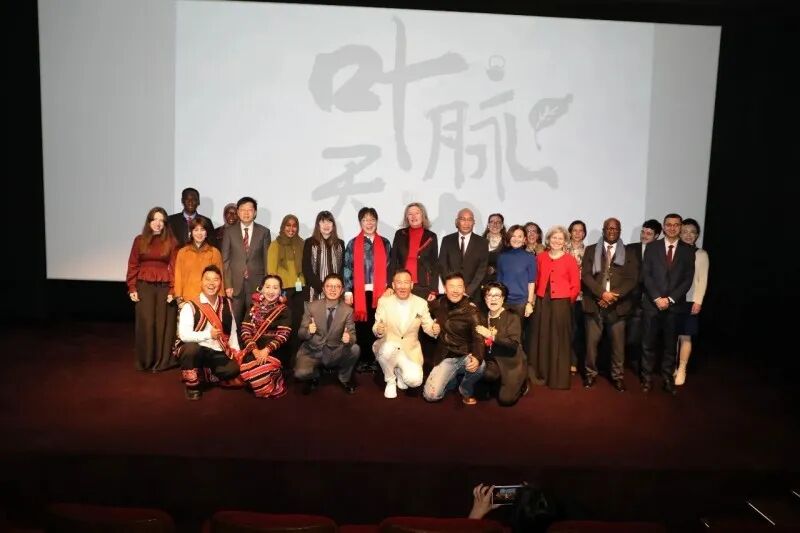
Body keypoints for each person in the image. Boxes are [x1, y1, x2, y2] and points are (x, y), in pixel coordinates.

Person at [580, 218, 639, 392]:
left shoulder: (629, 252)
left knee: (618, 347)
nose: (612, 231)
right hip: (594, 303)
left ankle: (617, 377)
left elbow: (632, 279)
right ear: (603, 230)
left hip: (618, 306)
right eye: (608, 228)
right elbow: (586, 276)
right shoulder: (591, 250)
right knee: (591, 345)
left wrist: (612, 296)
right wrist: (602, 293)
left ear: (620, 231)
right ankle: (590, 375)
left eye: (615, 228)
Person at [640, 213, 695, 395]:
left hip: (674, 306)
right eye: (668, 224)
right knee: (648, 344)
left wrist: (670, 299)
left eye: (676, 225)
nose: (672, 228)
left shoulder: (688, 251)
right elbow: (646, 275)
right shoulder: (652, 247)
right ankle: (646, 379)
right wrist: (657, 298)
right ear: (663, 227)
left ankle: (667, 379)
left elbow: (687, 280)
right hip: (652, 304)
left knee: (670, 346)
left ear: (680, 227)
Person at [126, 206, 179, 372]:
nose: (158, 223)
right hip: (144, 286)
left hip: (164, 287)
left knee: (163, 324)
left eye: (161, 220)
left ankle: (162, 361)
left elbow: (175, 268)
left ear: (165, 224)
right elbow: (133, 264)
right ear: (149, 222)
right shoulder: (139, 240)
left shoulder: (171, 242)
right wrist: (132, 287)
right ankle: (146, 361)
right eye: (155, 219)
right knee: (147, 323)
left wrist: (173, 290)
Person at [528, 225, 581, 390]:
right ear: (548, 239)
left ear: (565, 241)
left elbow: (575, 285)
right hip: (542, 301)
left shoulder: (570, 259)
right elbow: (535, 279)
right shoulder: (540, 257)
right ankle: (541, 374)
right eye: (554, 237)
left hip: (561, 303)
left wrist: (566, 301)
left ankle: (558, 378)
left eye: (560, 238)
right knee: (542, 336)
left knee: (559, 338)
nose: (557, 241)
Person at [372, 269, 437, 399]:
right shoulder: (384, 301)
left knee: (415, 381)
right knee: (387, 349)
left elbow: (428, 325)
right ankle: (390, 380)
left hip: (410, 350)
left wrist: (434, 329)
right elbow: (377, 324)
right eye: (399, 282)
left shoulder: (421, 303)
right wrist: (378, 329)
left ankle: (399, 371)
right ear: (393, 285)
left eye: (406, 282)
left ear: (412, 285)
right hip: (389, 347)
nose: (402, 286)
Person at [423, 273, 485, 404]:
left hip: (465, 355)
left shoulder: (472, 310)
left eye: (459, 286)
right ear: (445, 289)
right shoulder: (439, 304)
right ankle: (451, 379)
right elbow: (424, 309)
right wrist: (432, 325)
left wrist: (477, 357)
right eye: (451, 286)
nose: (455, 290)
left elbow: (478, 338)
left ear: (464, 289)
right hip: (445, 357)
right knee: (430, 396)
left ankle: (465, 388)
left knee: (481, 365)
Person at [343, 207, 391, 374]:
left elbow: (390, 267)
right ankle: (363, 359)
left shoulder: (385, 243)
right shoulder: (352, 243)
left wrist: (389, 288)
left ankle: (376, 360)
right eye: (365, 220)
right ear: (360, 223)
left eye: (372, 220)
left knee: (378, 326)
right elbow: (347, 267)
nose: (369, 223)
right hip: (359, 293)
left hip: (381, 293)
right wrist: (348, 291)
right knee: (362, 328)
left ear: (376, 222)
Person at [294, 273, 359, 394]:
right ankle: (315, 375)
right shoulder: (311, 306)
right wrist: (309, 331)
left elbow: (353, 336)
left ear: (342, 290)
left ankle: (344, 378)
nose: (333, 289)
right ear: (323, 289)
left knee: (355, 349)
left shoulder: (348, 311)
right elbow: (300, 334)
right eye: (329, 286)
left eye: (337, 286)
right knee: (300, 373)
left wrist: (349, 338)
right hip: (313, 350)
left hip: (335, 350)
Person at [221, 196, 271, 332]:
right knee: (235, 321)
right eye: (243, 210)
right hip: (235, 284)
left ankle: (252, 345)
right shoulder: (229, 231)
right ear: (238, 212)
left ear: (255, 212)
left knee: (255, 320)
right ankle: (236, 345)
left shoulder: (264, 232)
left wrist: (265, 285)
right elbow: (225, 260)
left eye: (250, 210)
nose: (246, 213)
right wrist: (228, 284)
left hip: (256, 284)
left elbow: (267, 259)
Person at [474, 282, 528, 406]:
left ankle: (523, 382)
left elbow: (513, 344)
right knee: (480, 392)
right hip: (491, 360)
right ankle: (497, 382)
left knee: (506, 400)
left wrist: (491, 335)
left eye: (497, 296)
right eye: (489, 295)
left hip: (510, 361)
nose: (493, 299)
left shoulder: (512, 316)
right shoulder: (482, 316)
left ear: (503, 298)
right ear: (485, 298)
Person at [238, 274, 292, 398]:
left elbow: (283, 335)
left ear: (280, 291)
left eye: (275, 288)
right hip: (254, 347)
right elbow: (245, 330)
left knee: (259, 375)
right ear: (261, 289)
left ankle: (274, 378)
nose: (271, 291)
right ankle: (264, 379)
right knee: (247, 371)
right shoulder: (253, 307)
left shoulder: (284, 310)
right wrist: (255, 350)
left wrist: (266, 350)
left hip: (275, 349)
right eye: (267, 287)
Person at [625, 219, 662, 374]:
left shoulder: (660, 251)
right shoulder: (630, 248)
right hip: (632, 301)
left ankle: (646, 369)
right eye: (643, 232)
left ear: (657, 236)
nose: (644, 235)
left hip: (653, 301)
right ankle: (634, 363)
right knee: (632, 338)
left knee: (650, 339)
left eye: (649, 233)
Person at [675, 218, 709, 386]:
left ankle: (682, 369)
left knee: (685, 335)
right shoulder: (674, 251)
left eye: (692, 232)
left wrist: (698, 301)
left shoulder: (701, 254)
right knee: (673, 335)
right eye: (685, 232)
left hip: (690, 301)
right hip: (673, 299)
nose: (688, 235)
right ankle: (673, 367)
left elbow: (702, 280)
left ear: (697, 235)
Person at [267, 214, 305, 358]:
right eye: (288, 225)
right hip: (283, 291)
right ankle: (284, 359)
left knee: (298, 325)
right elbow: (271, 271)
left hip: (300, 290)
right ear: (283, 226)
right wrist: (276, 292)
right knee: (285, 325)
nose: (291, 229)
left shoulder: (302, 243)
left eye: (294, 226)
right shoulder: (275, 245)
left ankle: (296, 358)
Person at [389, 202, 439, 301]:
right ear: (407, 217)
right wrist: (390, 285)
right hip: (402, 284)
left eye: (417, 213)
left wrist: (434, 289)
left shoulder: (431, 236)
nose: (413, 216)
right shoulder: (399, 234)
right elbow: (393, 261)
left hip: (423, 286)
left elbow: (435, 264)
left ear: (423, 215)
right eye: (410, 214)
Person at [438, 208, 489, 302]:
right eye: (463, 219)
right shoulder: (447, 240)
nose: (466, 223)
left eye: (469, 219)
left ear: (474, 222)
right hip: (451, 294)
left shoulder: (483, 242)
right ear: (457, 222)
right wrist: (450, 288)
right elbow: (442, 265)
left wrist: (468, 291)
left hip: (473, 294)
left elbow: (481, 270)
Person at [174, 217, 224, 306]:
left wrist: (221, 298)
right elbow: (178, 276)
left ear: (206, 233)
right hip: (187, 299)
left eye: (202, 230)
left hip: (209, 299)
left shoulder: (214, 252)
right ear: (191, 233)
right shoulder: (183, 252)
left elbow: (220, 278)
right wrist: (178, 298)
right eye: (196, 230)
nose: (199, 233)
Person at [302, 210, 345, 302]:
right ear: (318, 225)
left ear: (333, 225)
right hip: (316, 290)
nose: (326, 225)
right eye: (323, 222)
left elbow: (343, 267)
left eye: (329, 222)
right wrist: (322, 287)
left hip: (336, 290)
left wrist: (336, 286)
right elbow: (306, 268)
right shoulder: (310, 242)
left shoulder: (340, 243)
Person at [496, 225, 536, 319]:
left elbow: (531, 282)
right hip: (503, 302)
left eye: (520, 236)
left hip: (521, 303)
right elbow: (499, 281)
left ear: (524, 239)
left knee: (518, 328)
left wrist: (529, 303)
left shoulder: (530, 257)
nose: (516, 239)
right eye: (513, 236)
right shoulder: (502, 257)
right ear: (509, 238)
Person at [566, 220, 587, 375]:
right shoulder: (562, 249)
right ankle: (565, 361)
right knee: (565, 330)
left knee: (578, 331)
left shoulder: (589, 251)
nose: (577, 233)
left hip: (582, 297)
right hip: (564, 295)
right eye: (575, 230)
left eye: (581, 230)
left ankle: (575, 362)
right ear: (570, 232)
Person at [482, 213, 507, 287]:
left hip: (501, 283)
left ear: (502, 226)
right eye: (492, 222)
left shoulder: (507, 244)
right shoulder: (479, 242)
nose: (495, 224)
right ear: (488, 225)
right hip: (482, 282)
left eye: (498, 222)